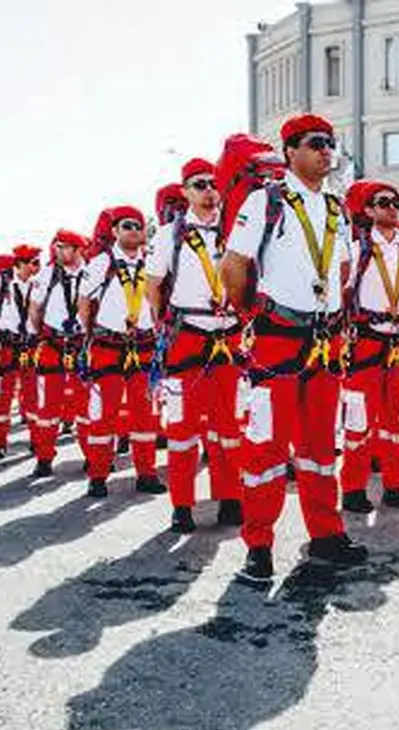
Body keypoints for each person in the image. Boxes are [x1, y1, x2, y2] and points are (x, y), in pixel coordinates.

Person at [220, 113, 368, 582]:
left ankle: (325, 534)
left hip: (323, 341)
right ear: (290, 152)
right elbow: (234, 265)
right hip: (276, 339)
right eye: (315, 143)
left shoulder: (336, 208)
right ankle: (258, 546)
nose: (326, 150)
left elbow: (343, 271)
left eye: (330, 143)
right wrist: (252, 316)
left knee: (321, 447)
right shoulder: (265, 201)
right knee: (265, 448)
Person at [145, 158, 245, 533]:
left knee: (228, 427)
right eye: (199, 184)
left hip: (229, 336)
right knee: (183, 427)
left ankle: (230, 498)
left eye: (212, 184)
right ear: (185, 191)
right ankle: (182, 505)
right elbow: (153, 286)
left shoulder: (235, 230)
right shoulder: (169, 234)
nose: (208, 191)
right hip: (185, 337)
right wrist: (163, 325)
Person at [339, 179, 399, 513]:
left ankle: (395, 486)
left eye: (396, 202)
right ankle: (353, 489)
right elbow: (343, 295)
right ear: (369, 210)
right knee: (359, 420)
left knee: (397, 420)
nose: (392, 207)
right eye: (384, 202)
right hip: (366, 343)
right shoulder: (356, 249)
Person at [78, 206, 165, 498]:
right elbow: (84, 304)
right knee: (104, 414)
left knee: (145, 415)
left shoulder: (152, 259)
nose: (134, 231)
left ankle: (147, 473)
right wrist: (92, 334)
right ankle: (98, 475)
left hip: (144, 346)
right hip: (108, 346)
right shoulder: (101, 262)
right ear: (114, 231)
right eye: (127, 226)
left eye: (139, 226)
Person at [30, 231, 92, 476]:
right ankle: (44, 459)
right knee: (47, 407)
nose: (57, 250)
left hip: (82, 346)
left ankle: (93, 456)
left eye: (64, 247)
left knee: (86, 406)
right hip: (53, 345)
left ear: (78, 249)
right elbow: (34, 310)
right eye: (57, 246)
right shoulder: (46, 275)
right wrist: (44, 335)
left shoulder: (92, 273)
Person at [0, 250, 38, 460]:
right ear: (20, 263)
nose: (36, 267)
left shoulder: (38, 283)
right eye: (33, 263)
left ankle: (37, 440)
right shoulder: (1, 283)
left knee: (33, 396)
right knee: (2, 396)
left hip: (31, 347)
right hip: (8, 346)